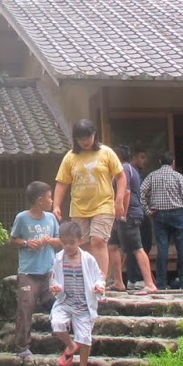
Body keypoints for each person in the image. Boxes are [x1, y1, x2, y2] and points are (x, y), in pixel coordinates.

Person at [53, 120, 126, 295]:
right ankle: (87, 279)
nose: (85, 141)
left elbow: (121, 176)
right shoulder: (70, 157)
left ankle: (100, 281)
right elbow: (62, 182)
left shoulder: (106, 153)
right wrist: (56, 205)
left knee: (98, 241)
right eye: (81, 139)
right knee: (83, 244)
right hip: (79, 207)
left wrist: (119, 200)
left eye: (88, 137)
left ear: (94, 135)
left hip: (103, 204)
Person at [49, 221, 105, 366]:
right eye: (64, 243)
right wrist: (56, 288)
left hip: (84, 305)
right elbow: (53, 281)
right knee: (57, 324)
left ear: (80, 240)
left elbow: (99, 277)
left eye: (71, 243)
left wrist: (98, 286)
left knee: (85, 338)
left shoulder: (88, 259)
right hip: (65, 302)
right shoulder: (58, 259)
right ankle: (71, 346)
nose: (68, 246)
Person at [9, 181, 61, 358]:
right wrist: (26, 243)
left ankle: (63, 339)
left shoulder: (51, 218)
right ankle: (22, 347)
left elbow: (60, 240)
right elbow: (13, 239)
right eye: (49, 197)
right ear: (40, 200)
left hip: (49, 271)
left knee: (57, 304)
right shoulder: (22, 218)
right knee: (25, 307)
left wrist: (49, 241)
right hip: (28, 272)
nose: (51, 201)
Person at [143, 151, 183, 289]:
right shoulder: (178, 176)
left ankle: (161, 283)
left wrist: (148, 211)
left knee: (162, 249)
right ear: (173, 163)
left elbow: (141, 192)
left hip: (159, 215)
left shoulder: (152, 176)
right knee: (182, 249)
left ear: (160, 162)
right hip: (178, 214)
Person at [113, 145, 155, 294]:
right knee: (112, 246)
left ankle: (149, 283)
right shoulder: (131, 169)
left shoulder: (123, 169)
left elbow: (126, 192)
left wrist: (122, 214)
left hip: (128, 213)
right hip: (125, 213)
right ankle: (118, 281)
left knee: (136, 248)